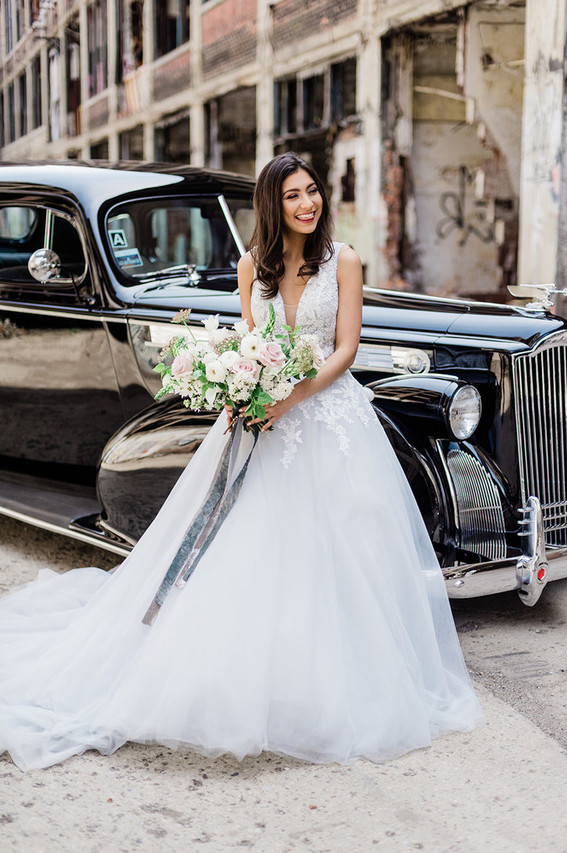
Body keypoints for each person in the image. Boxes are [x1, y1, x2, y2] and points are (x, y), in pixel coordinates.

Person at [0, 153, 482, 772]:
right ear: (271, 207)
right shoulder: (250, 266)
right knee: (254, 543)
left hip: (329, 411)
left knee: (346, 540)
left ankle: (348, 665)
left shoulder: (346, 261)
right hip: (265, 412)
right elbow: (257, 343)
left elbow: (346, 349)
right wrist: (251, 392)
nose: (308, 204)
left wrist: (290, 398)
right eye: (293, 197)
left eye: (313, 192)